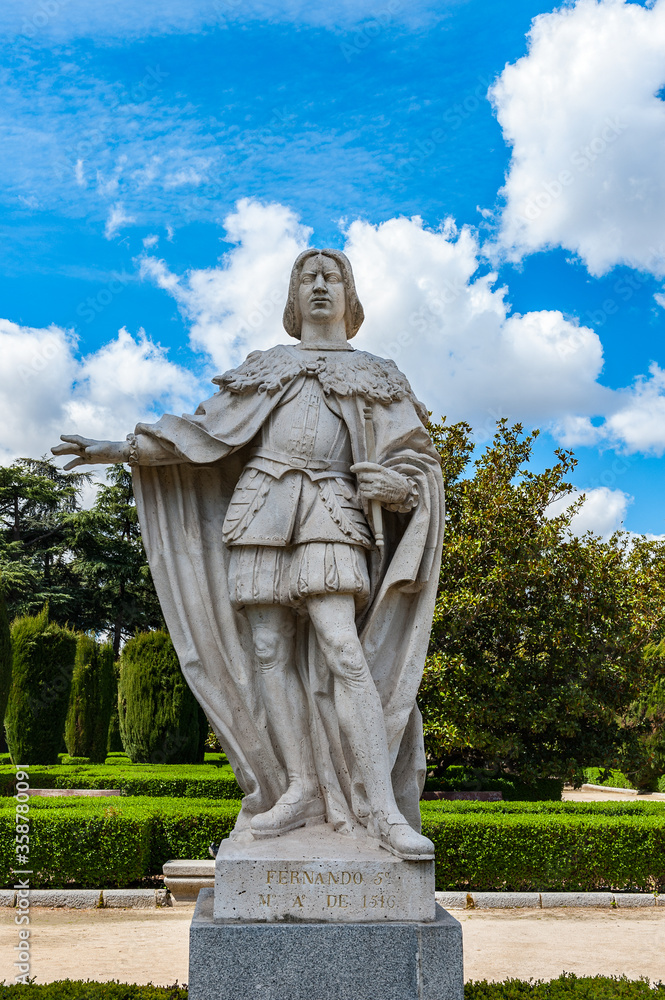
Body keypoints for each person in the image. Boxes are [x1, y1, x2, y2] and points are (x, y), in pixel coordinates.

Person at [53, 248, 445, 861]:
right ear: (293, 296)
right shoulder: (268, 367)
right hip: (261, 507)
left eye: (331, 275)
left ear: (350, 293)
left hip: (332, 510)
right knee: (267, 651)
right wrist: (116, 448)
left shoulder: (377, 373)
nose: (319, 284)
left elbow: (416, 458)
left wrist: (399, 487)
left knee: (342, 646)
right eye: (307, 276)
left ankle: (380, 808)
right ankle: (301, 789)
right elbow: (200, 435)